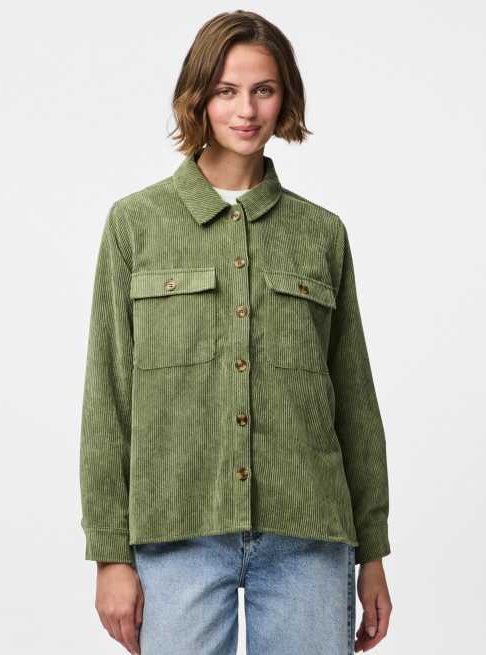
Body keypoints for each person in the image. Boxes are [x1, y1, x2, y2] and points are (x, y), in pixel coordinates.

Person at [79, 9, 393, 655]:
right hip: (176, 534)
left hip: (308, 535)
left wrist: (372, 553)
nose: (246, 110)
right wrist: (109, 553)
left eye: (263, 89)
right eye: (226, 90)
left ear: (285, 98)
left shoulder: (320, 233)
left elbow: (354, 401)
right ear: (197, 97)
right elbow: (107, 396)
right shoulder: (136, 224)